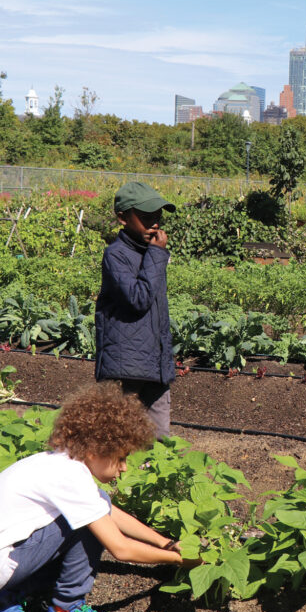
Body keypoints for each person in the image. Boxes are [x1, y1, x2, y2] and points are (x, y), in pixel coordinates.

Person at [0, 388, 194, 612]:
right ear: (95, 450)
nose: (124, 467)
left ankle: (7, 596)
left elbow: (109, 511)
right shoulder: (71, 476)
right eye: (121, 457)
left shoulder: (60, 462)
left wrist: (165, 542)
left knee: (97, 506)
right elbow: (121, 549)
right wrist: (178, 559)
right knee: (87, 524)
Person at [95, 181, 178, 437]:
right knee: (121, 439)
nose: (154, 223)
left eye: (157, 216)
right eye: (145, 217)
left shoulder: (151, 252)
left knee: (160, 440)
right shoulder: (116, 255)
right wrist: (156, 255)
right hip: (126, 367)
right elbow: (138, 299)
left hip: (155, 365)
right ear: (123, 218)